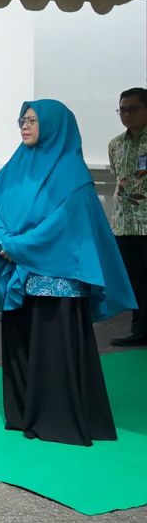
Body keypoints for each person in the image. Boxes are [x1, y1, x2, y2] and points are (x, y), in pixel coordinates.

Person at [0, 101, 135, 446]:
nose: (24, 126)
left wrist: (16, 246)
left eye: (33, 120)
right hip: (16, 271)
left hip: (56, 278)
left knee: (52, 348)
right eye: (22, 120)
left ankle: (55, 418)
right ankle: (23, 412)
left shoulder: (73, 175)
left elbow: (64, 225)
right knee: (20, 343)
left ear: (53, 125)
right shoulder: (15, 167)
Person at [108, 86, 147, 346]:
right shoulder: (116, 144)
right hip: (124, 223)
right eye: (122, 110)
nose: (127, 114)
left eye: (133, 109)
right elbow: (117, 176)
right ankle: (139, 329)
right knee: (135, 280)